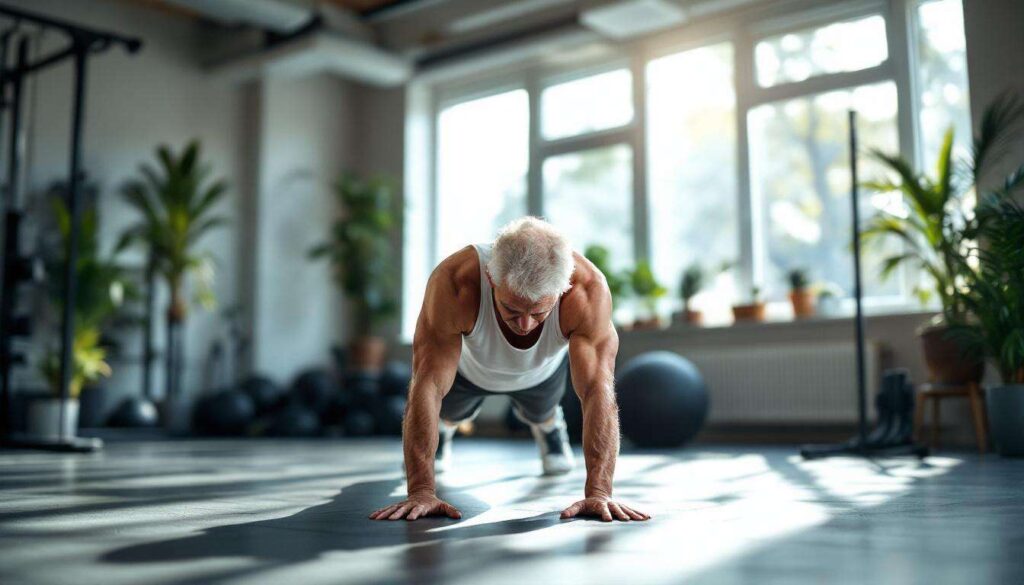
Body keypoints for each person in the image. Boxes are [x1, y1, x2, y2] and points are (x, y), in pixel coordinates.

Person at [370, 217, 650, 523]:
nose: (526, 324)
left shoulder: (587, 290)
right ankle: (446, 430)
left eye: (539, 312)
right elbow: (428, 385)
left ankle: (548, 425)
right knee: (448, 414)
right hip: (469, 370)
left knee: (541, 411)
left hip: (541, 372)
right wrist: (421, 489)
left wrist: (599, 491)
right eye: (513, 310)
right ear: (491, 278)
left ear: (561, 290)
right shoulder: (454, 281)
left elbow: (598, 390)